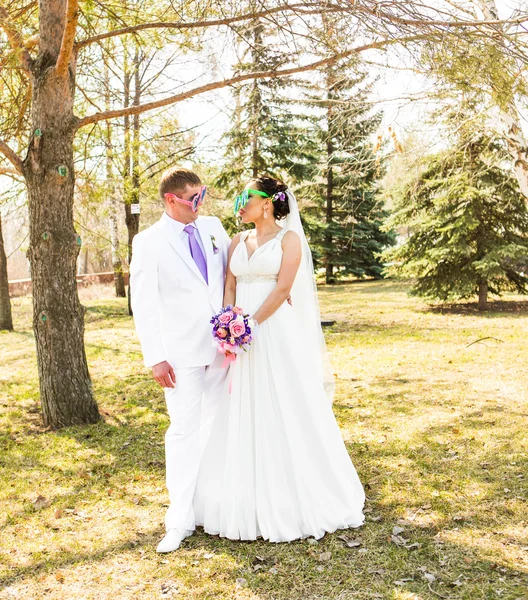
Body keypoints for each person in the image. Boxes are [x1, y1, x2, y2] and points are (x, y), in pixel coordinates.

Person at [194, 176, 365, 542]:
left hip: (272, 330)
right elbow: (230, 284)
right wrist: (228, 322)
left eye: (246, 198)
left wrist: (249, 325)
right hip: (239, 331)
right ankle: (240, 495)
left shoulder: (290, 240)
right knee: (240, 403)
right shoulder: (237, 241)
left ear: (268, 203)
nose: (240, 205)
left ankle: (294, 494)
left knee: (283, 400)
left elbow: (284, 288)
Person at [130, 167, 231, 553]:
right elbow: (144, 302)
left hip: (224, 349)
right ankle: (179, 520)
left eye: (202, 195)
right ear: (171, 200)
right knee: (184, 432)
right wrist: (155, 357)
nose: (199, 204)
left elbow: (232, 275)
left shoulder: (213, 227)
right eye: (193, 199)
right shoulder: (149, 242)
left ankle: (217, 507)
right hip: (179, 355)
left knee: (221, 426)